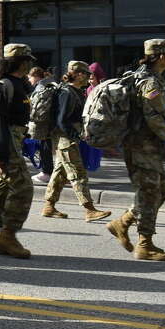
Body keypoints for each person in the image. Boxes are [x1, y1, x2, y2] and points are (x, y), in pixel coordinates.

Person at [107, 39, 165, 261]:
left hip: (143, 144)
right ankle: (144, 245)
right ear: (160, 56)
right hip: (141, 145)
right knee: (150, 192)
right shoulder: (150, 82)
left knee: (161, 190)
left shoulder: (144, 77)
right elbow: (152, 116)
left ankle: (123, 222)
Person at [0, 43, 37, 260]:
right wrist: (3, 153)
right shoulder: (4, 85)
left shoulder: (18, 84)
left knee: (2, 187)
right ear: (21, 62)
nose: (30, 64)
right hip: (5, 142)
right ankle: (8, 235)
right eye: (28, 60)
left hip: (14, 141)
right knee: (24, 187)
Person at [42, 60, 112, 222]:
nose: (89, 77)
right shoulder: (67, 92)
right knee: (77, 173)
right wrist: (74, 135)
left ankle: (49, 206)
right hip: (66, 139)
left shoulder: (75, 91)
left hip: (67, 138)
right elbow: (62, 120)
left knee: (60, 173)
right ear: (79, 74)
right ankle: (89, 209)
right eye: (87, 74)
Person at [28, 66, 55, 185]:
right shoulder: (51, 84)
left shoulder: (40, 87)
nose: (29, 80)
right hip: (51, 122)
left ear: (35, 76)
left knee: (45, 147)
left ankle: (46, 172)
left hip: (43, 123)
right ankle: (48, 172)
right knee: (47, 146)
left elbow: (36, 106)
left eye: (30, 77)